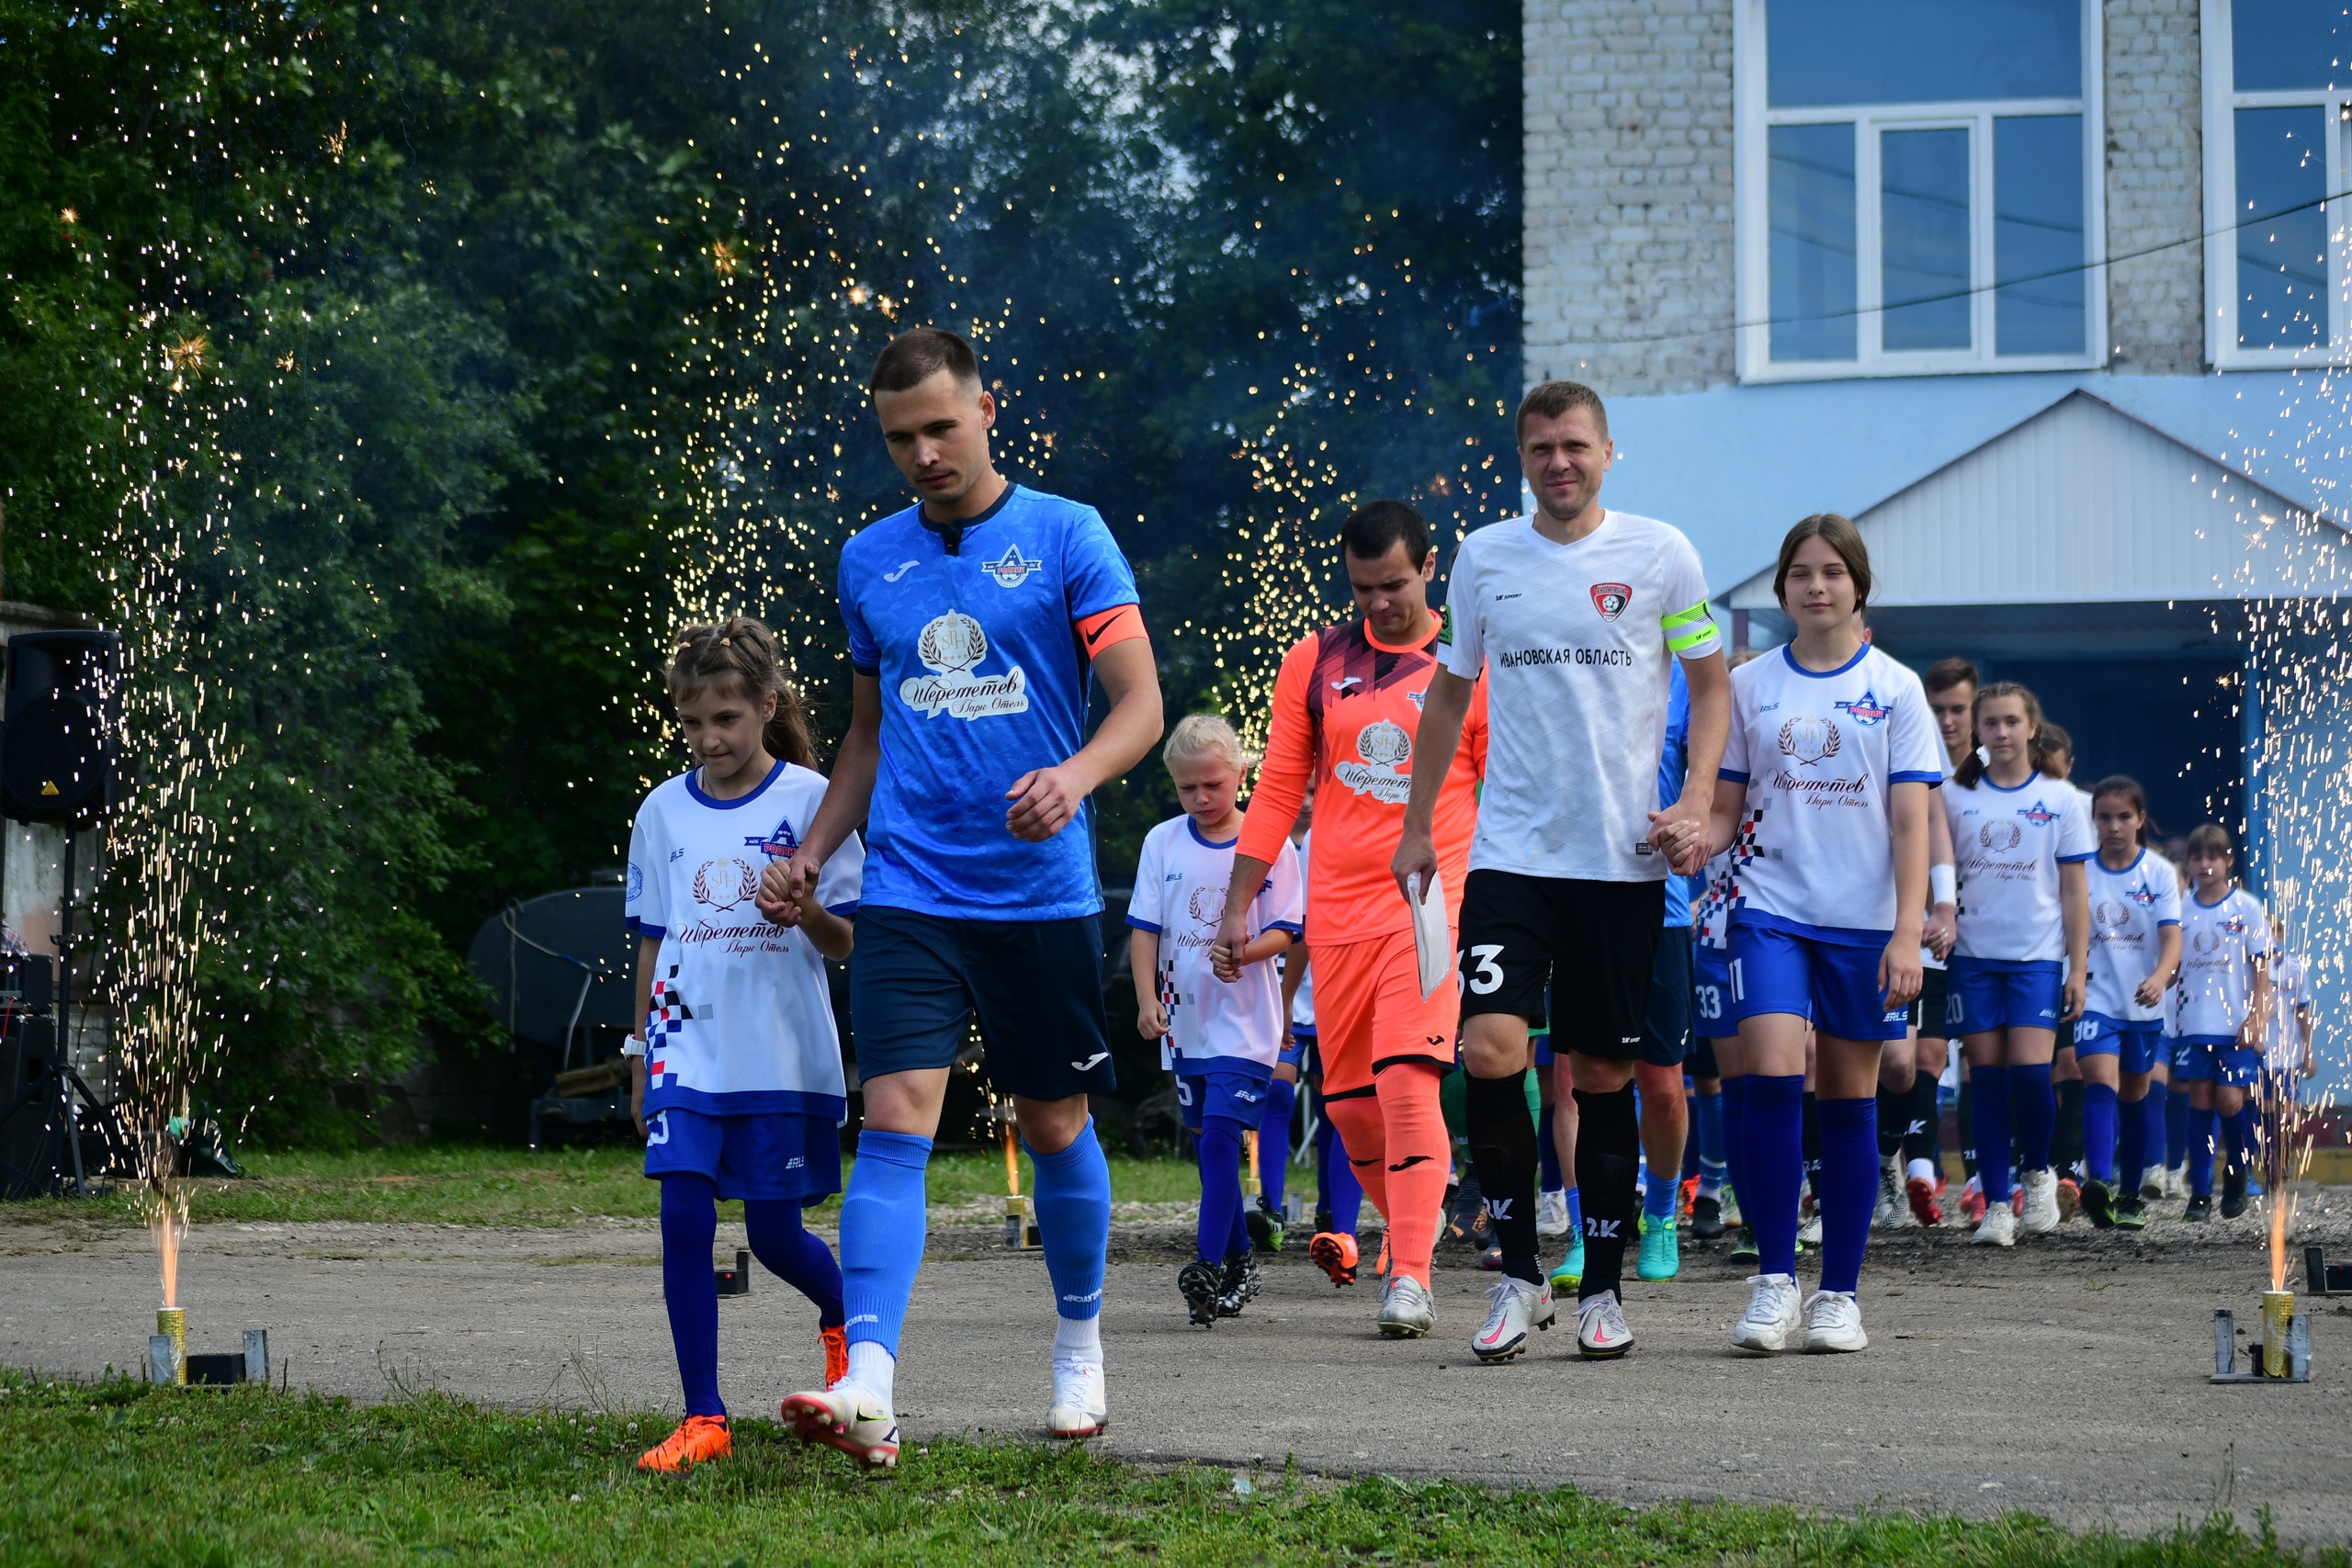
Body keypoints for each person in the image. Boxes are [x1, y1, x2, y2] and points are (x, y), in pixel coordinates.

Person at [773, 326, 1163, 1468]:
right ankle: (871, 1383)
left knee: (1051, 1122)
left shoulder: (1067, 535)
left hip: (1038, 894)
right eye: (902, 438)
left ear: (988, 410)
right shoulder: (868, 559)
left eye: (942, 427)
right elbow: (865, 733)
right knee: (895, 1118)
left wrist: (1077, 775)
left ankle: (1080, 1344)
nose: (925, 453)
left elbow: (1138, 704)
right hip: (905, 888)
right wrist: (815, 847)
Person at [1395, 378, 1729, 1364]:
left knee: (1603, 1075)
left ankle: (1605, 1289)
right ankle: (1514, 1276)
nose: (1559, 463)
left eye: (1575, 446)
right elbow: (1448, 696)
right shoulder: (1484, 556)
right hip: (1511, 856)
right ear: (1522, 456)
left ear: (1607, 452)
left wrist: (1698, 801)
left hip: (1622, 865)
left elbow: (1709, 687)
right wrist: (1418, 828)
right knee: (1490, 1052)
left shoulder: (1660, 552)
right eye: (1541, 448)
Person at [1221, 499, 1487, 1337]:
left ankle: (1408, 1271)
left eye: (1395, 585)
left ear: (1430, 566)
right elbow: (1276, 792)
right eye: (1363, 586)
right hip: (1334, 911)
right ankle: (1420, 1217)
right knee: (1350, 1109)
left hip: (1427, 908)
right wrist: (1239, 904)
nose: (1379, 603)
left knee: (1409, 1086)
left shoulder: (1469, 662)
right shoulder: (1315, 660)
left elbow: (1501, 791)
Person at [623, 618, 863, 1473]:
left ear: (766, 705)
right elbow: (653, 941)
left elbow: (845, 943)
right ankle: (704, 1416)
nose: (709, 738)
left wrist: (806, 912)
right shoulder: (660, 812)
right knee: (682, 1218)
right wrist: (641, 1047)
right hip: (686, 1050)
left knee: (771, 1235)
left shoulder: (812, 801)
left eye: (725, 718)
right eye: (692, 723)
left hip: (781, 1056)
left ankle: (846, 1329)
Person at [1699, 518, 1938, 1355]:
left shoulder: (1897, 689)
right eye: (1800, 573)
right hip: (1767, 905)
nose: (1816, 586)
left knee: (1847, 1100)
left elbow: (1912, 825)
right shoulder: (1750, 683)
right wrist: (1695, 835)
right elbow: (1726, 806)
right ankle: (1773, 1280)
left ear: (1858, 586)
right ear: (1782, 588)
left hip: (1865, 924)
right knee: (1764, 1077)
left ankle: (1838, 1294)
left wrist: (1908, 935)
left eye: (1832, 572)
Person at [1128, 715, 1303, 1325]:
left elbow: (1289, 928)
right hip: (1186, 1024)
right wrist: (1148, 999)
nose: (1201, 799)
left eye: (1213, 785)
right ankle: (1241, 1260)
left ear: (1241, 774)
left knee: (1226, 1136)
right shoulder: (1162, 842)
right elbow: (1145, 929)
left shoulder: (1272, 841)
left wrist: (1245, 952)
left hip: (1247, 1023)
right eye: (1188, 788)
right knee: (1209, 1148)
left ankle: (1205, 1265)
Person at [1944, 682, 2094, 1247]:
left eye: (2011, 722)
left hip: (2036, 960)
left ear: (2032, 727)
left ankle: (2037, 1174)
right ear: (1978, 732)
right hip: (1973, 960)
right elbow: (1937, 871)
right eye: (1991, 724)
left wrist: (2076, 970)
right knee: (1987, 1081)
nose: (2001, 733)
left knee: (2032, 1075)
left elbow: (2075, 894)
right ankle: (1997, 1204)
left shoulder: (2062, 800)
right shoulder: (1955, 797)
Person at [2074, 777, 2182, 1230]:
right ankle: (2098, 1184)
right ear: (2093, 820)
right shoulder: (2079, 870)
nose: (2113, 826)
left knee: (2136, 1096)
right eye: (2104, 817)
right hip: (2096, 997)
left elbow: (2173, 939)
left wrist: (2159, 979)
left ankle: (2131, 1195)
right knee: (2100, 1081)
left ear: (2140, 818)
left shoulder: (2158, 872)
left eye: (2123, 816)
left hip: (2142, 1005)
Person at [2171, 824, 2272, 1222]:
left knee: (2231, 1101)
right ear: (2189, 863)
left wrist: (2258, 1016)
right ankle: (2199, 1195)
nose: (2205, 864)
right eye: (2197, 857)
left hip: (2234, 1024)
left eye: (2213, 856)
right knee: (2199, 1101)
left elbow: (2261, 967)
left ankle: (2235, 1176)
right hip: (2194, 1022)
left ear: (2228, 860)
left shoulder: (2246, 906)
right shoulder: (2180, 907)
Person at [1922, 659, 1982, 1220]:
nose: (1946, 720)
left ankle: (1984, 1178)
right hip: (1931, 930)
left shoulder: (1998, 763)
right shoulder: (1914, 753)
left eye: (1957, 709)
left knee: (1983, 1063)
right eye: (1936, 708)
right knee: (1925, 1057)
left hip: (1990, 936)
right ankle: (1913, 1168)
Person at [2037, 724, 2095, 1218]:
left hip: (2075, 960)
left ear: (2069, 765)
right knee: (2025, 1070)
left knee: (2072, 1065)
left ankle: (2068, 1167)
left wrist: (2084, 962)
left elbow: (2092, 887)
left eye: (2055, 762)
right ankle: (2029, 1169)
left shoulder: (2083, 807)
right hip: (2028, 956)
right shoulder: (2018, 802)